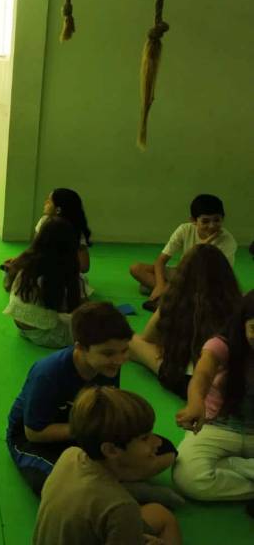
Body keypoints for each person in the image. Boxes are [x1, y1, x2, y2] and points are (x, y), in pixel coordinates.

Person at [7, 301, 176, 495]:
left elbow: (109, 411)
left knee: (166, 451)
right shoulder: (48, 373)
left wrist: (126, 436)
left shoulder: (107, 366)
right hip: (39, 441)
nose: (120, 360)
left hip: (87, 433)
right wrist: (91, 431)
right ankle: (115, 485)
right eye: (108, 353)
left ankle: (107, 484)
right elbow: (34, 433)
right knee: (57, 483)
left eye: (124, 350)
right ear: (80, 347)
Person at [33, 386, 182, 545]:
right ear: (110, 450)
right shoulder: (121, 507)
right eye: (145, 438)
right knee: (166, 520)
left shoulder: (70, 455)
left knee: (159, 513)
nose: (158, 442)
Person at [173, 290, 254, 508]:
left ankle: (235, 467)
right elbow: (202, 374)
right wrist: (195, 403)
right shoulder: (221, 344)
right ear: (242, 324)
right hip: (219, 425)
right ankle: (244, 469)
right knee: (189, 478)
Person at [129, 243, 242, 398]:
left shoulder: (176, 301)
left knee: (132, 341)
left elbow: (147, 338)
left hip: (188, 380)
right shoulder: (236, 302)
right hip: (228, 382)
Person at [130, 193, 237, 310]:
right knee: (136, 268)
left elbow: (221, 277)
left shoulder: (228, 241)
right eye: (205, 221)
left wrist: (202, 246)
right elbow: (161, 261)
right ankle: (172, 294)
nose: (212, 226)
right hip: (182, 273)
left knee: (145, 287)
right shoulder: (184, 229)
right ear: (193, 220)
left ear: (223, 218)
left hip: (207, 281)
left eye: (216, 220)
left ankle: (172, 296)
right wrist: (160, 285)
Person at [3, 218, 86, 348]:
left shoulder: (25, 261)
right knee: (94, 328)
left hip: (22, 328)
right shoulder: (57, 273)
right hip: (46, 334)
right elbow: (72, 308)